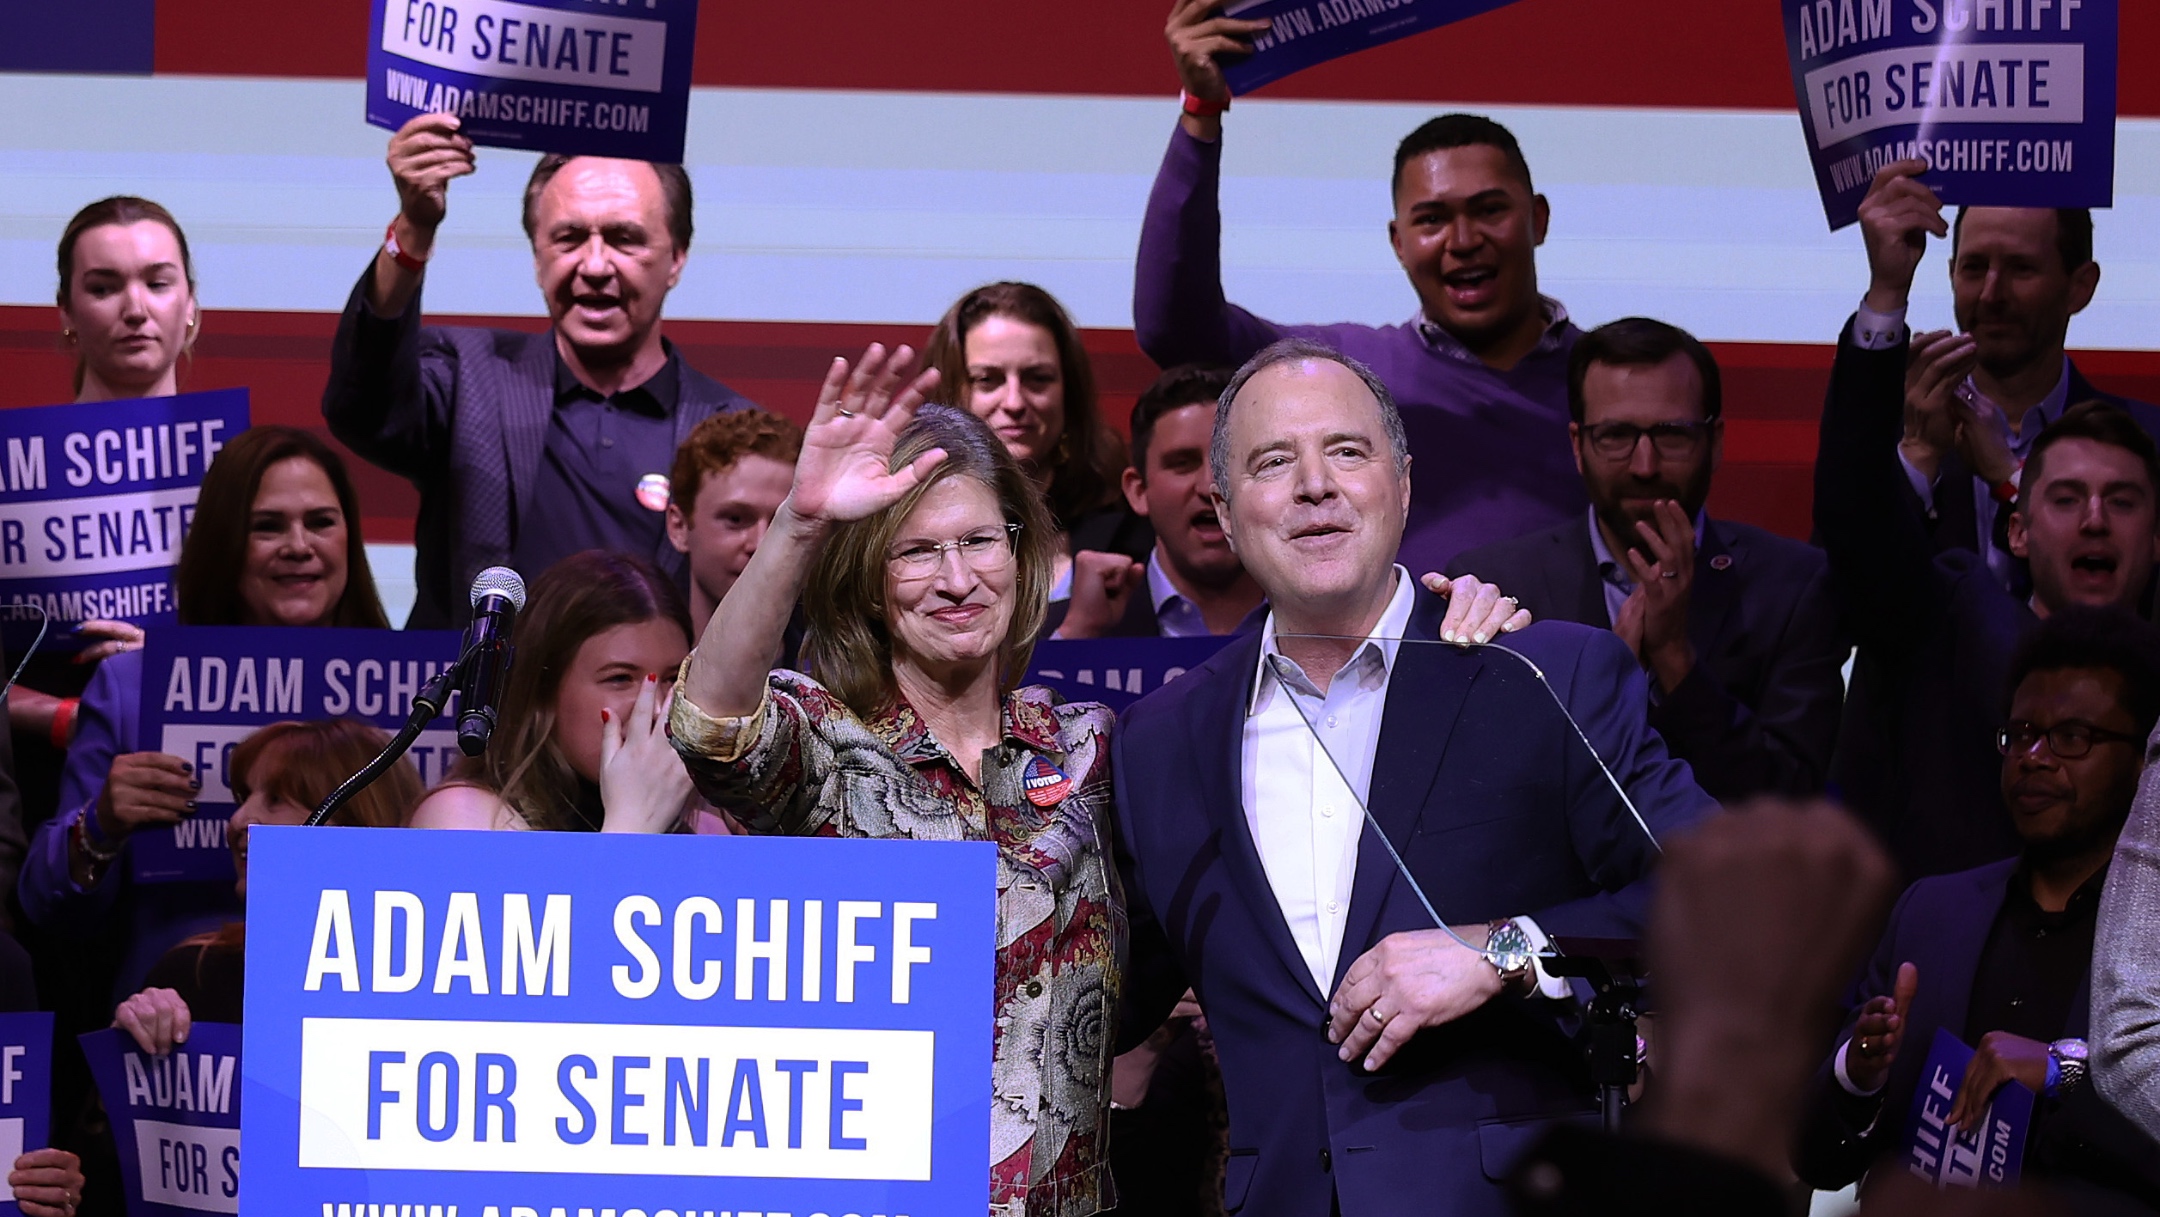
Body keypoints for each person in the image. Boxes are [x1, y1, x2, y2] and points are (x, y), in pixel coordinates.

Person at [1112, 338, 1716, 1217]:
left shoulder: (1537, 674)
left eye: (1347, 452)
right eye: (1273, 461)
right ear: (1226, 510)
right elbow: (1102, 995)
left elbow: (1724, 895)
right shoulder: (1161, 739)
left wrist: (1505, 948)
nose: (1314, 485)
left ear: (1401, 483)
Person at [1137, 1, 1585, 574]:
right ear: (1398, 241)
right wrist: (1201, 111)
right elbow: (1175, 330)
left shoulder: (1608, 382)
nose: (1464, 239)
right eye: (1431, 220)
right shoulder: (1347, 374)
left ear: (1539, 220)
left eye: (1489, 209)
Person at [323, 113, 753, 629]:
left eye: (624, 238)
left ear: (678, 257)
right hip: (481, 706)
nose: (595, 266)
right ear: (535, 255)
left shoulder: (734, 435)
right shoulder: (468, 379)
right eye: (569, 238)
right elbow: (361, 406)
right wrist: (414, 227)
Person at [1796, 608, 2160, 1212]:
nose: (2034, 757)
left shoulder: (2151, 939)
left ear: (2143, 765)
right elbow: (1815, 1160)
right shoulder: (1930, 913)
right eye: (2019, 734)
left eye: (2072, 737)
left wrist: (2061, 1073)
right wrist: (1858, 1074)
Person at [17, 425, 391, 996]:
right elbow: (48, 908)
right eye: (267, 526)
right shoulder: (134, 687)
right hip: (178, 1022)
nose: (299, 544)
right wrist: (102, 823)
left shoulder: (414, 695)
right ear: (223, 542)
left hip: (360, 1004)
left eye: (321, 521)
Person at [1448, 318, 1846, 802]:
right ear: (1578, 445)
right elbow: (1478, 792)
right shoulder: (1499, 585)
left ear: (1714, 442)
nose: (1644, 466)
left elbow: (1791, 799)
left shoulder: (1794, 587)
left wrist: (1676, 659)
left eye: (1671, 434)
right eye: (1615, 435)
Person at [1820, 385, 2160, 881]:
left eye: (2122, 503)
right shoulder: (1951, 617)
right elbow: (1863, 547)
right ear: (2018, 532)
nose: (2095, 521)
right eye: (2066, 499)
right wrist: (1917, 448)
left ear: (2155, 541)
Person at [1835, 161, 2160, 588]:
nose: (1991, 293)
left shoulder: (2148, 444)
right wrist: (1888, 287)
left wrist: (2010, 481)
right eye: (1973, 268)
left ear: (2080, 287)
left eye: (2021, 268)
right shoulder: (1894, 437)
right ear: (1951, 274)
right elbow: (1839, 589)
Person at [14, 198, 209, 796]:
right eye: (104, 287)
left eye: (157, 282)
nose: (135, 309)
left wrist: (176, 666)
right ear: (66, 312)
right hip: (41, 795)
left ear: (191, 308)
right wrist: (70, 720)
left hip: (205, 794)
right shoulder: (13, 478)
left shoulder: (250, 475)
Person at [111, 717, 423, 1050]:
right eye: (243, 797)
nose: (238, 821)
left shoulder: (435, 985)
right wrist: (133, 1041)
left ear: (357, 826)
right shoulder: (198, 975)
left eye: (275, 799)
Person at [408, 549, 705, 835]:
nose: (655, 709)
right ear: (541, 693)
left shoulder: (707, 830)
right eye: (620, 678)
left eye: (672, 679)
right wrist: (633, 823)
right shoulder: (463, 816)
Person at [924, 282, 1150, 589]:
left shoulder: (1129, 533)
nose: (1015, 402)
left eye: (1038, 379)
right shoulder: (907, 526)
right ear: (950, 391)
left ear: (1068, 393)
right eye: (988, 380)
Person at [1050, 363, 1264, 640]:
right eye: (1183, 464)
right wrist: (1076, 639)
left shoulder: (1326, 621)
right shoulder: (1063, 632)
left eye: (1227, 460)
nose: (1209, 486)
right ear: (1138, 492)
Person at [664, 408, 802, 632]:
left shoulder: (840, 665)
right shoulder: (637, 661)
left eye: (783, 522)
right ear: (679, 527)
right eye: (736, 519)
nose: (760, 545)